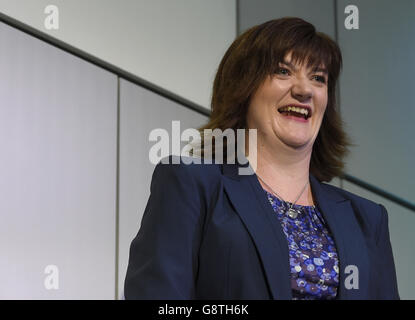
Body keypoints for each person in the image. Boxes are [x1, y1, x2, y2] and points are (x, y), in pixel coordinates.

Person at [124, 17, 399, 300]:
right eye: (283, 71)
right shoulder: (191, 183)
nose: (304, 90)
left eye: (318, 78)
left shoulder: (368, 219)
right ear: (244, 87)